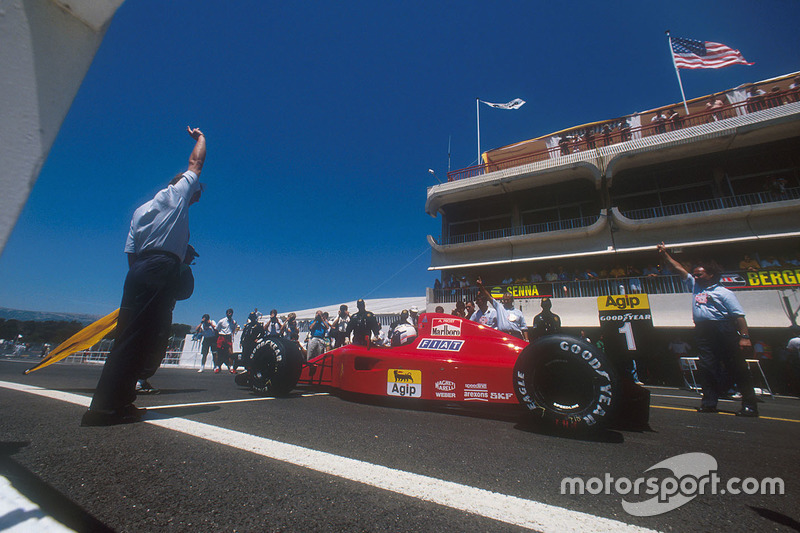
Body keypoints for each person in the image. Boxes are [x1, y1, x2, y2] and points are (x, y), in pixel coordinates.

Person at [81, 127, 206, 427]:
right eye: (196, 191)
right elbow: (195, 165)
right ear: (182, 187)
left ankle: (117, 402)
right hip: (158, 270)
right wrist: (201, 139)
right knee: (146, 338)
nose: (197, 195)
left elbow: (131, 255)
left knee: (131, 337)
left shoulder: (140, 211)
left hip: (139, 272)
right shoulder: (176, 195)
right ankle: (107, 408)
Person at [658, 243, 759, 416]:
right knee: (707, 366)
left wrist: (745, 337)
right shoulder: (695, 287)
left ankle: (750, 405)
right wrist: (664, 254)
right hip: (703, 331)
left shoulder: (724, 293)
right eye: (695, 274)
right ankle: (709, 403)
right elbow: (679, 268)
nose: (695, 277)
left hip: (723, 328)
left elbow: (739, 316)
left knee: (736, 366)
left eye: (699, 274)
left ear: (711, 275)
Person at [215, 308, 238, 374]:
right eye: (229, 313)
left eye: (231, 313)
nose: (230, 314)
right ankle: (217, 367)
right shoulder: (221, 321)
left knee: (230, 353)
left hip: (228, 337)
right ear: (226, 313)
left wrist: (231, 335)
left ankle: (231, 368)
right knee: (219, 353)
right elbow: (217, 329)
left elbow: (234, 329)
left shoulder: (234, 322)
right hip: (221, 337)